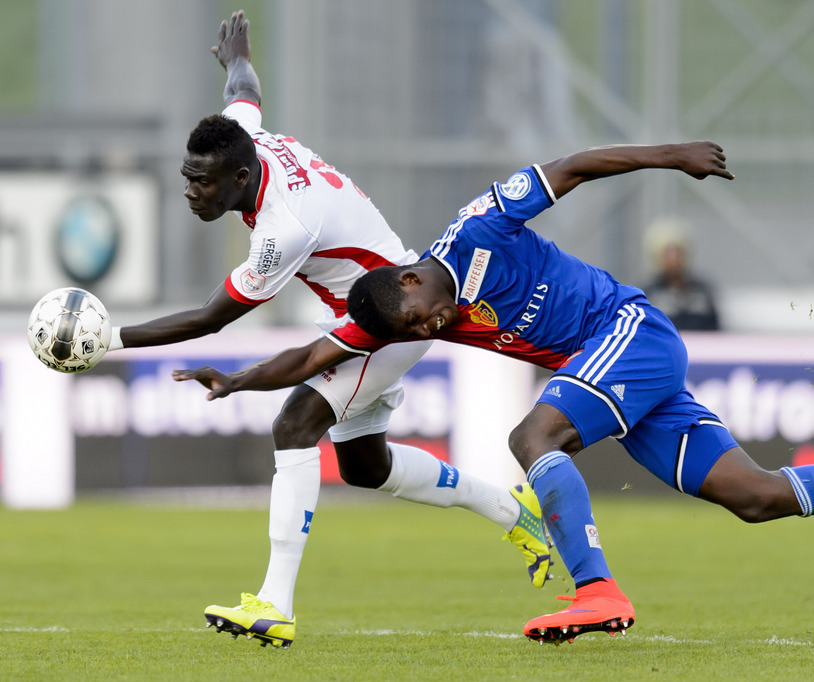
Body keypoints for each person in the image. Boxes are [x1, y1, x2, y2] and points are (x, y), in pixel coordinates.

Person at [174, 140, 814, 645]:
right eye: (416, 331)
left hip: (629, 331)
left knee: (531, 438)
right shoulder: (401, 313)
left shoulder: (476, 229)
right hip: (610, 367)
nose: (431, 330)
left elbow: (570, 168)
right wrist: (236, 380)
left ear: (412, 279)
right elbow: (311, 353)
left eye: (421, 317)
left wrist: (671, 158)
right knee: (753, 496)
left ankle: (596, 588)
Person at [103, 11, 551, 649]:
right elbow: (244, 94)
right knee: (366, 468)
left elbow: (209, 318)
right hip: (370, 304)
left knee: (294, 424)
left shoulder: (284, 227)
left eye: (201, 183)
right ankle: (511, 509)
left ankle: (274, 604)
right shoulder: (243, 142)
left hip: (389, 318)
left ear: (239, 179)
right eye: (187, 179)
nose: (191, 192)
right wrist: (236, 59)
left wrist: (109, 340)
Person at [642, 217, 720, 331]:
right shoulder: (649, 294)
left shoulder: (702, 291)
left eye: (677, 252)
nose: (674, 259)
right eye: (667, 253)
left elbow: (714, 328)